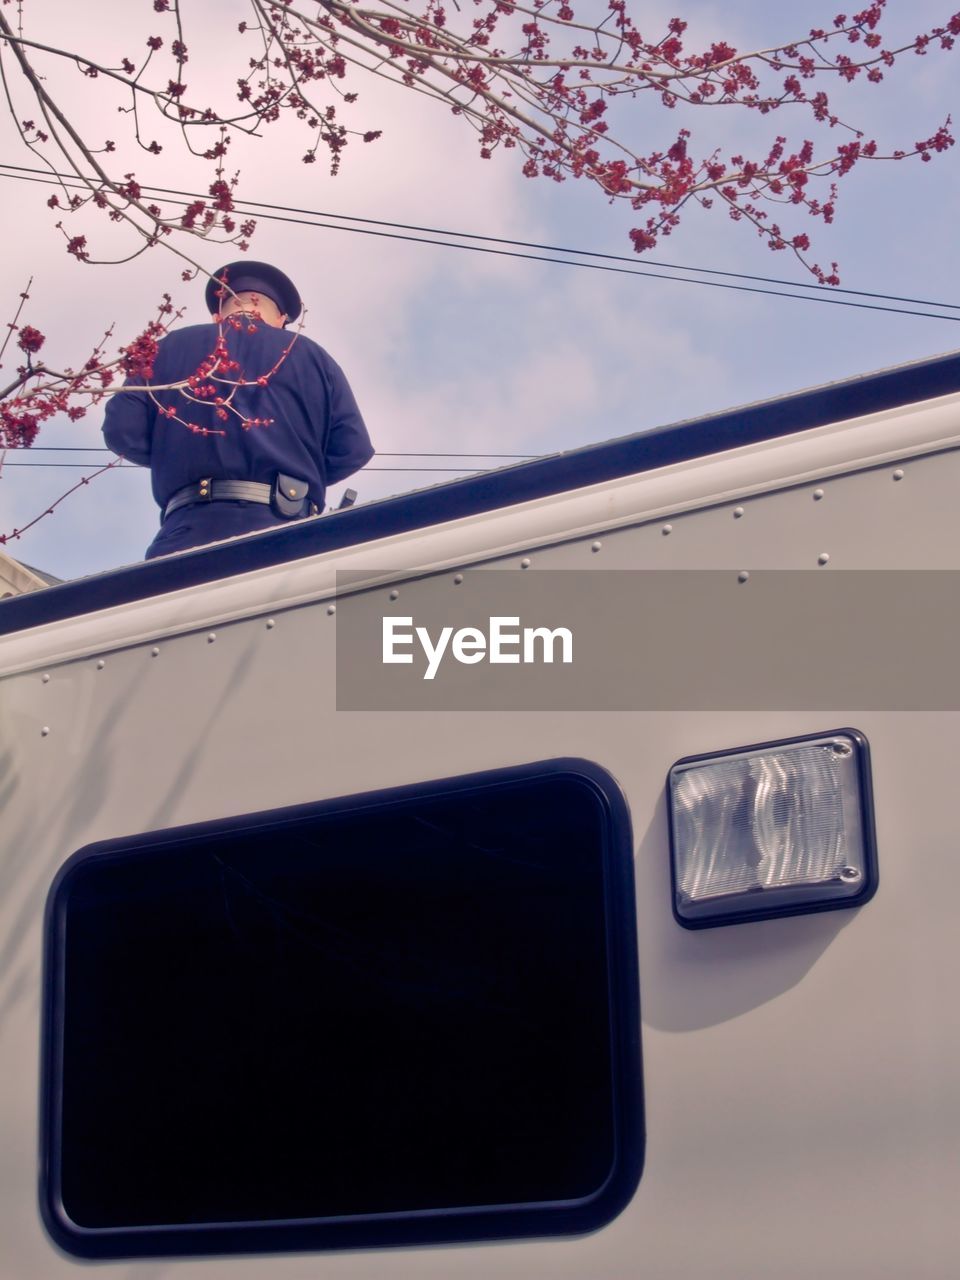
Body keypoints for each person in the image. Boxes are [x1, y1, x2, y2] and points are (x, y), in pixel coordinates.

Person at [103, 261, 374, 559]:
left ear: (217, 315)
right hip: (287, 535)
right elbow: (352, 449)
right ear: (282, 318)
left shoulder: (165, 349)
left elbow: (121, 431)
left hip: (184, 535)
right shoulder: (313, 358)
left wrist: (174, 451)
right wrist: (298, 473)